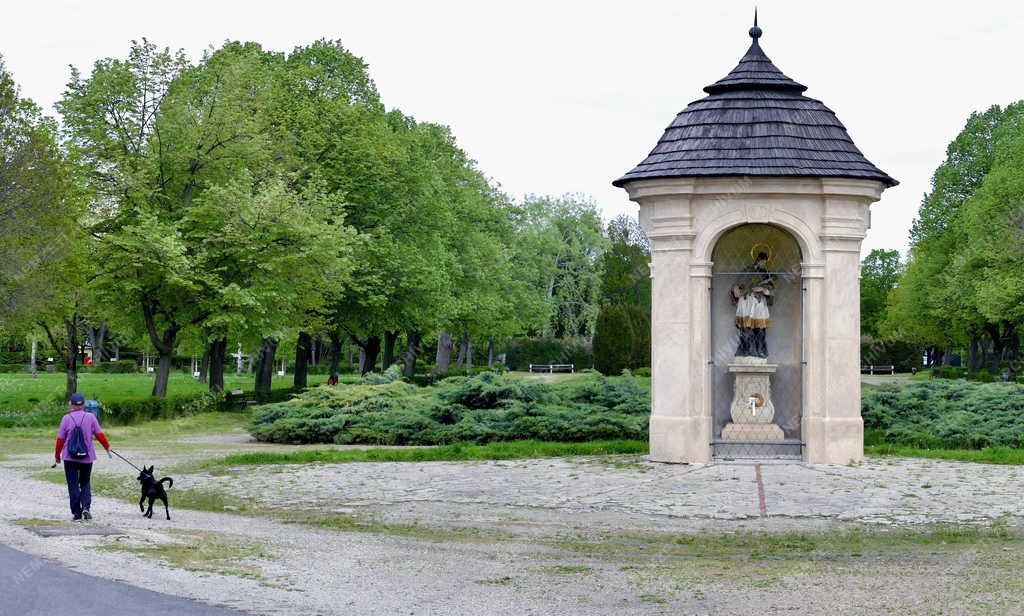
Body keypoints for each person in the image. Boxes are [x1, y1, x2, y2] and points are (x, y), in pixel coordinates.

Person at [54, 392, 111, 521]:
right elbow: (99, 434)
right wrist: (107, 447)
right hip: (87, 456)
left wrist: (57, 455)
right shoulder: (90, 417)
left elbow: (60, 439)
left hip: (70, 457)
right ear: (84, 404)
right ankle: (86, 507)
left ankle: (77, 513)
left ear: (71, 404)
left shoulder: (66, 419)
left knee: (73, 484)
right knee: (85, 482)